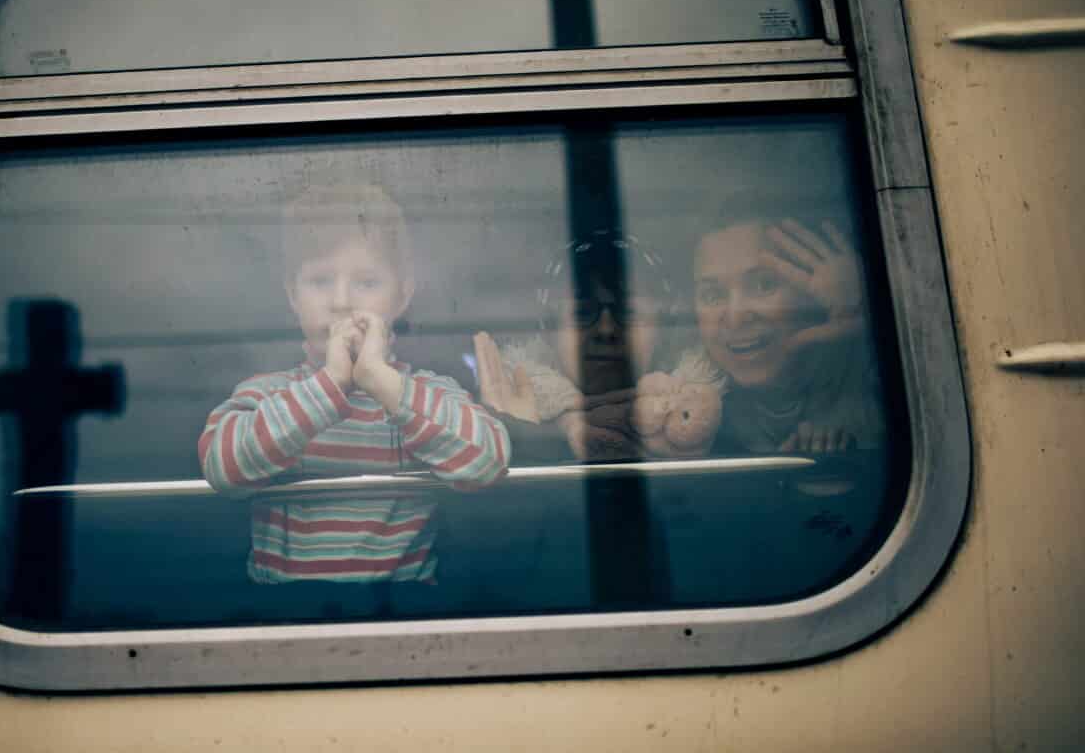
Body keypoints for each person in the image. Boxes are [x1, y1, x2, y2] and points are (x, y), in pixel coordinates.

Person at [198, 184, 510, 585]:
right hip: (285, 617)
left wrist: (381, 381)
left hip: (404, 614)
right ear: (292, 296)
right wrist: (330, 384)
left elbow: (488, 463)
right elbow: (221, 468)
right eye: (320, 281)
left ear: (402, 296)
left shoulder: (427, 394)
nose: (342, 301)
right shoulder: (267, 394)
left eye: (366, 282)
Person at [472, 231, 725, 462]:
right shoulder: (503, 422)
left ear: (663, 331)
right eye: (583, 313)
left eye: (627, 312)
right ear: (551, 332)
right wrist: (522, 442)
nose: (605, 330)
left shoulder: (718, 421)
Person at [692, 214, 885, 453]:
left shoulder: (875, 374)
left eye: (764, 285)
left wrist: (875, 317)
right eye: (712, 295)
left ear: (814, 293)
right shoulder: (687, 392)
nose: (736, 318)